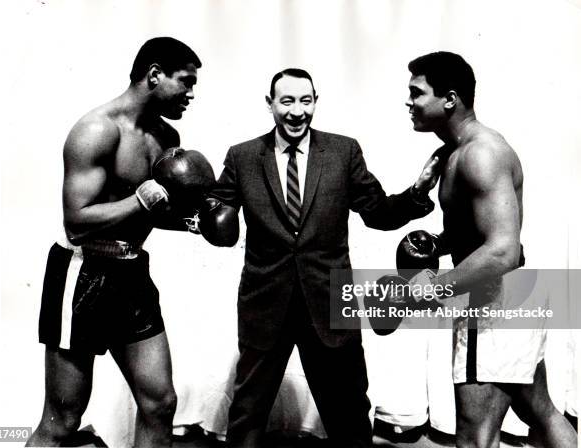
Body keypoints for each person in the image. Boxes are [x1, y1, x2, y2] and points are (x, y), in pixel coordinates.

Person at [212, 68, 441, 448]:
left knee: (349, 412)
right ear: (270, 105)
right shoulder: (243, 156)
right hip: (264, 303)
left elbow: (377, 210)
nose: (297, 111)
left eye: (306, 100)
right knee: (248, 413)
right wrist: (194, 207)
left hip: (332, 300)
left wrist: (417, 191)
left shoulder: (342, 151)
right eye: (287, 101)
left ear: (316, 102)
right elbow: (216, 211)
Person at [27, 37, 202, 447]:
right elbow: (77, 223)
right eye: (186, 82)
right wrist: (142, 198)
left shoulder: (166, 136)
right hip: (82, 273)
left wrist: (197, 222)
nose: (191, 94)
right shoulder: (96, 130)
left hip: (131, 273)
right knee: (63, 418)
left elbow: (155, 211)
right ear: (154, 74)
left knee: (160, 402)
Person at [405, 51, 577, 448]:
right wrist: (438, 243)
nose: (409, 102)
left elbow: (502, 250)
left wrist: (433, 290)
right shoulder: (456, 152)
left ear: (449, 98)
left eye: (417, 93)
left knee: (473, 435)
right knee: (540, 411)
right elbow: (483, 234)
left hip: (493, 302)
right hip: (511, 295)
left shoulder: (480, 153)